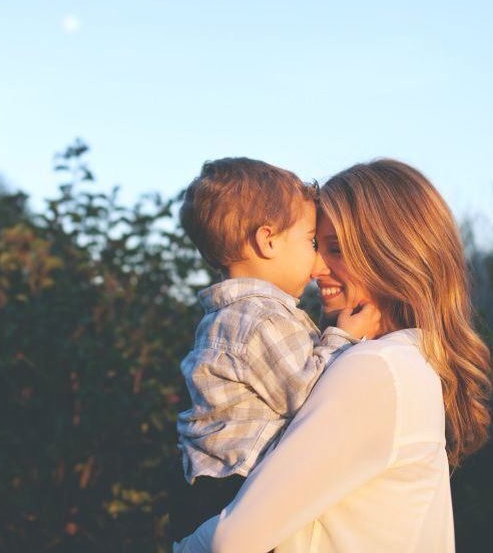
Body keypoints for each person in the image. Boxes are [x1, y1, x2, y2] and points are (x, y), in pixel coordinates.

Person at [176, 159, 491, 553]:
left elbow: (229, 540)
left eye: (335, 248)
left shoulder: (376, 367)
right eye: (314, 244)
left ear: (391, 253)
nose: (315, 268)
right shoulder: (409, 362)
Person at [170, 158, 381, 543]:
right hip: (232, 488)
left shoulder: (237, 314)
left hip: (212, 489)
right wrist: (344, 337)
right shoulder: (259, 319)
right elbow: (311, 397)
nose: (318, 262)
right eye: (312, 241)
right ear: (268, 241)